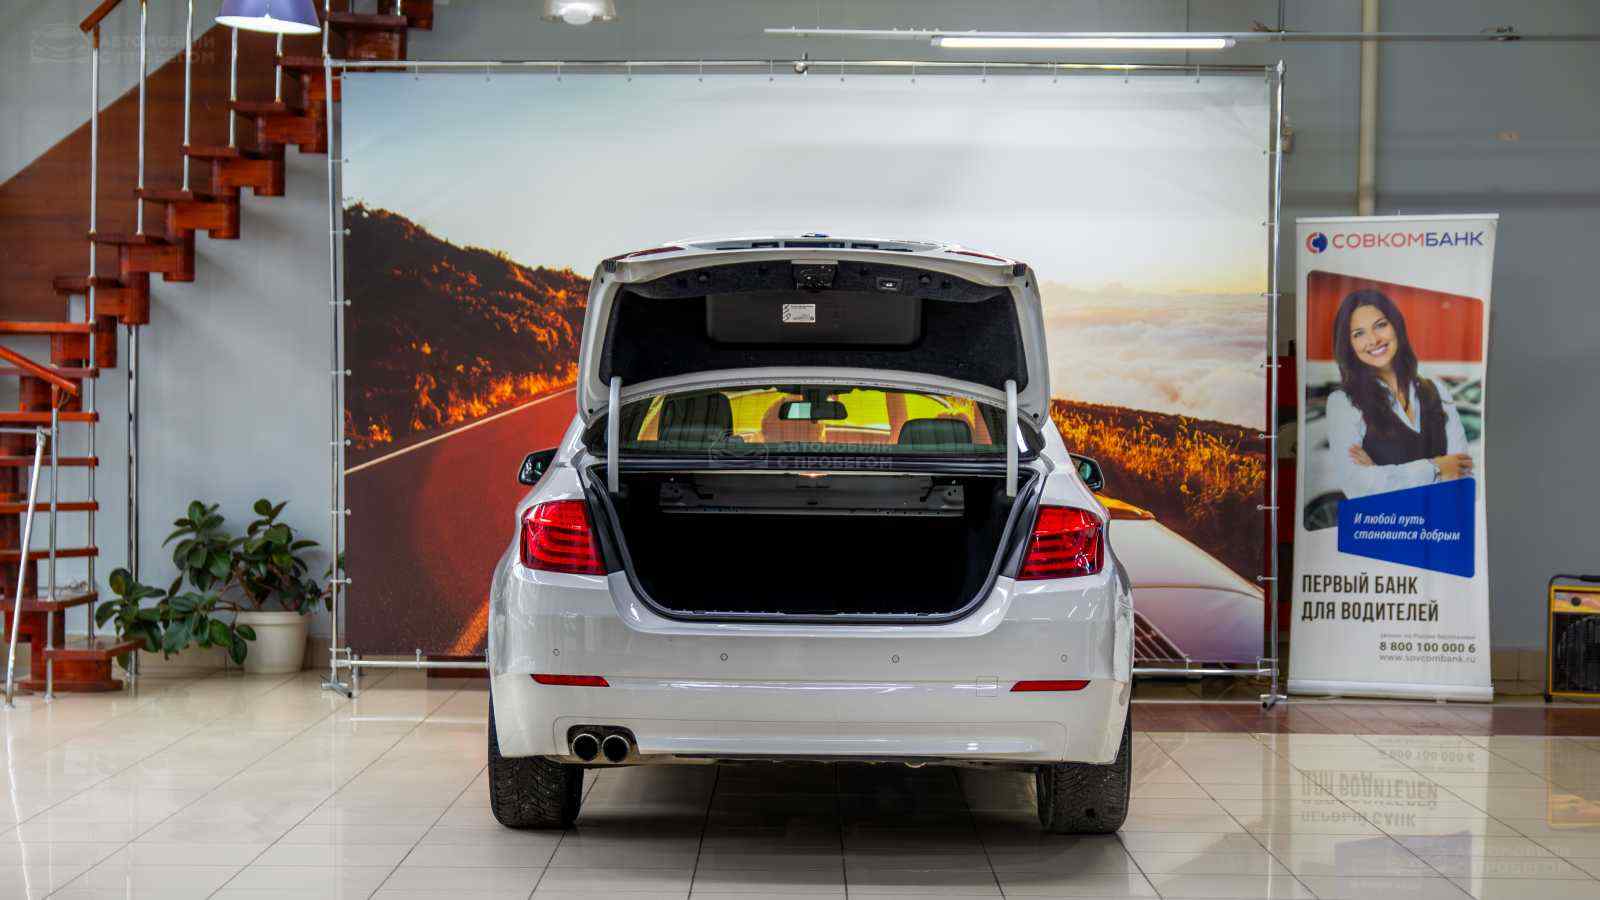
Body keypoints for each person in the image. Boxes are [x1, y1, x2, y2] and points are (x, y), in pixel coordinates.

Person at [1323, 288, 1471, 498]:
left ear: (1396, 326)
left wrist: (1382, 475)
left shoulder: (1437, 391)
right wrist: (1436, 468)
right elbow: (1358, 487)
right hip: (1387, 520)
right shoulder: (1343, 402)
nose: (1373, 340)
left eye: (1380, 325)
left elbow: (1463, 475)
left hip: (1440, 519)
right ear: (1349, 345)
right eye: (1359, 334)